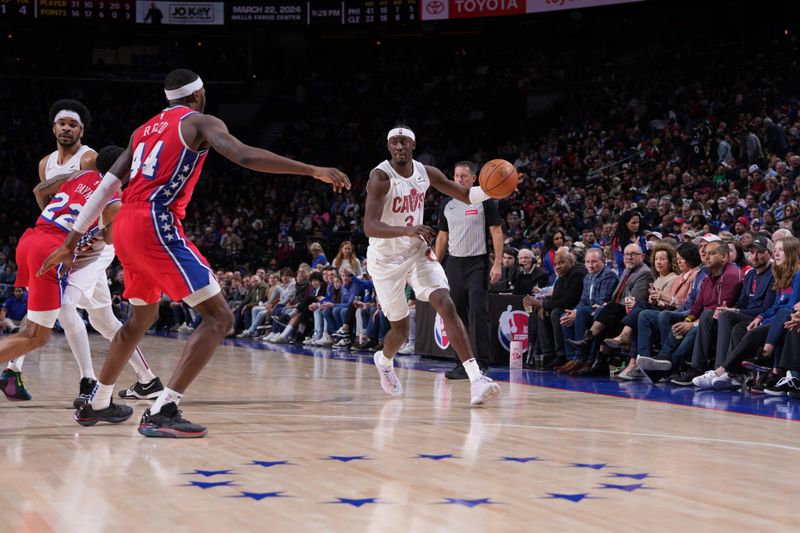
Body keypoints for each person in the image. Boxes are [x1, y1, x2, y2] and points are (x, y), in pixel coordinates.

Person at [40, 69, 349, 438]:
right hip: (155, 220)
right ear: (199, 94)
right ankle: (164, 409)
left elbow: (107, 187)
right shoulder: (200, 121)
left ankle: (98, 402)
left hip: (123, 225)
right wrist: (312, 169)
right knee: (219, 317)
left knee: (140, 319)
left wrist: (70, 242)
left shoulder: (142, 131)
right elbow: (244, 156)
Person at [0, 147, 159, 404]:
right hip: (57, 250)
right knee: (44, 327)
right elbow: (109, 238)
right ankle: (89, 383)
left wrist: (54, 221)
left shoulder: (78, 175)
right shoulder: (114, 198)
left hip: (33, 238)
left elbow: (40, 190)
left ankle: (147, 379)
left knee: (101, 320)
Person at [363, 125, 509, 405]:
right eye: (394, 142)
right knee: (401, 333)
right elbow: (369, 226)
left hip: (417, 250)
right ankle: (384, 360)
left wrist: (494, 189)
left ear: (413, 145)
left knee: (446, 302)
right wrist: (405, 230)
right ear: (389, 146)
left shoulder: (425, 172)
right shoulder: (380, 177)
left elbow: (465, 195)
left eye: (404, 142)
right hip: (386, 259)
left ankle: (476, 379)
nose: (399, 146)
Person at [433, 160, 503, 379]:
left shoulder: (485, 202)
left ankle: (481, 362)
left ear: (474, 178)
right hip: (454, 263)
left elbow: (497, 232)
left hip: (477, 262)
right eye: (456, 176)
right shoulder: (447, 204)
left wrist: (497, 263)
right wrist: (435, 263)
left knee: (478, 313)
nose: (459, 179)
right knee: (455, 314)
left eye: (464, 176)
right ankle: (462, 363)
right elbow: (442, 237)